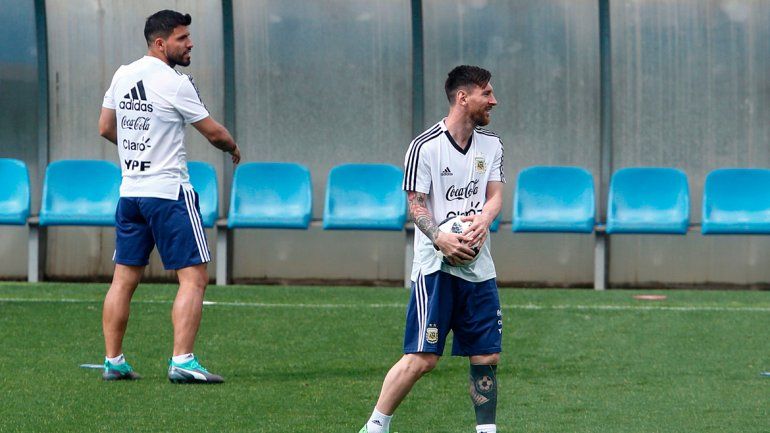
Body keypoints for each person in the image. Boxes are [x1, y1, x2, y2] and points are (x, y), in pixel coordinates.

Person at [357, 65, 505, 433]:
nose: (494, 100)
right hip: (435, 267)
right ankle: (375, 425)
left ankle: (486, 431)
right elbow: (416, 204)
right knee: (422, 358)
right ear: (463, 97)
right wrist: (440, 237)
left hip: (478, 265)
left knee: (486, 355)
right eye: (487, 93)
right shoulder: (424, 146)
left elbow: (495, 195)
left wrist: (483, 221)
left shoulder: (492, 144)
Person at [97, 9, 240, 383]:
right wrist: (233, 148)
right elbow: (214, 133)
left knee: (123, 278)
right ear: (160, 43)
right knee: (193, 277)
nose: (190, 43)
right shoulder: (176, 82)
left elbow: (105, 127)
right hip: (169, 193)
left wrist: (135, 151)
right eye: (182, 38)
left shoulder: (122, 74)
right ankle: (183, 360)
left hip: (130, 193)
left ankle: (113, 361)